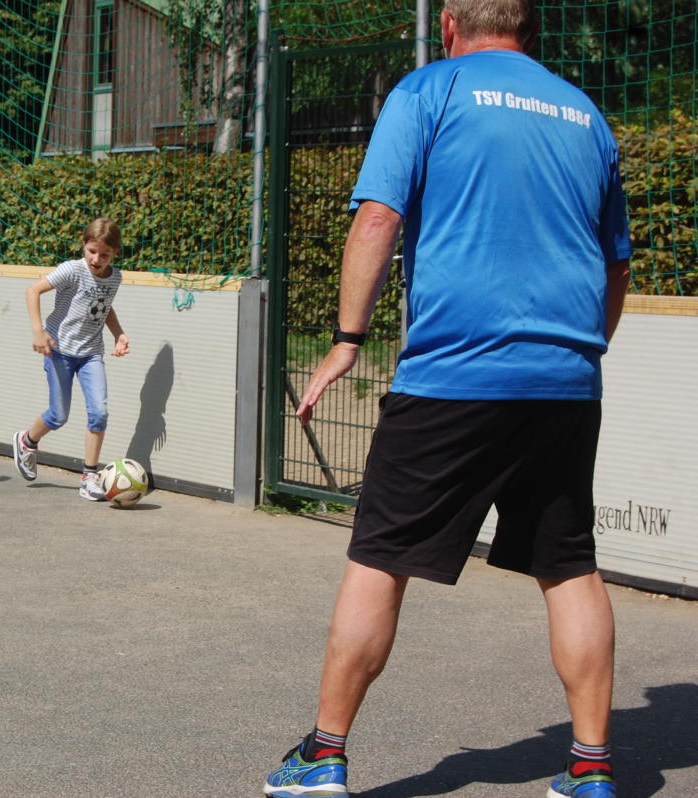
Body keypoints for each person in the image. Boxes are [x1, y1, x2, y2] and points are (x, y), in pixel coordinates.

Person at [263, 2, 631, 797]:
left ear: (451, 25)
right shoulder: (585, 114)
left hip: (453, 376)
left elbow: (378, 218)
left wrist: (347, 340)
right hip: (565, 381)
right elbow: (615, 266)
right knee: (569, 565)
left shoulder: (430, 90)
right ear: (530, 31)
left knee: (379, 558)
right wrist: (580, 355)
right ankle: (592, 769)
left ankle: (324, 756)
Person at [12, 217, 130, 500]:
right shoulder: (72, 270)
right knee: (58, 415)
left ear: (115, 253)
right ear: (84, 245)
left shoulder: (115, 277)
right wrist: (38, 331)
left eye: (104, 255)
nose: (96, 259)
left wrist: (119, 334)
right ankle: (27, 441)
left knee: (99, 413)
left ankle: (89, 476)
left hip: (91, 354)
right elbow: (32, 291)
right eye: (92, 251)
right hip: (59, 350)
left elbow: (104, 307)